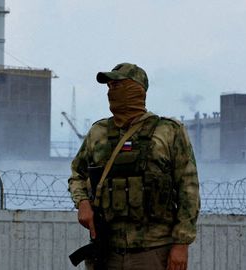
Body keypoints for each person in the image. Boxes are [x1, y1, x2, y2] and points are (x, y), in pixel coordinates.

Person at [68, 63, 200, 270]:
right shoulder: (99, 132)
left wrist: (181, 244)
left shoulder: (168, 131)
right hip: (107, 249)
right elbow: (77, 174)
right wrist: (82, 202)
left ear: (137, 89)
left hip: (153, 250)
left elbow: (188, 189)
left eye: (118, 85)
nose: (112, 91)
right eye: (109, 86)